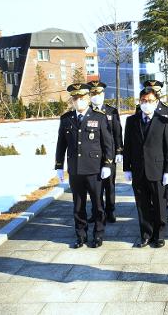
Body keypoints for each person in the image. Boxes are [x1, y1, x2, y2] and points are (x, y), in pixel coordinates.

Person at [55, 83, 114, 248]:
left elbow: (107, 144)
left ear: (87, 98)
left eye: (81, 98)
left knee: (98, 205)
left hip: (94, 169)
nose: (78, 101)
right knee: (78, 206)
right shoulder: (66, 119)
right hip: (75, 170)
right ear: (72, 100)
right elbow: (61, 144)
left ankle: (98, 234)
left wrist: (107, 165)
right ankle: (81, 235)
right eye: (75, 98)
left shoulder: (99, 117)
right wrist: (59, 166)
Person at [123, 87, 168, 248]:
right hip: (138, 169)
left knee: (160, 205)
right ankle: (146, 234)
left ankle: (159, 235)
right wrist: (127, 168)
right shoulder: (131, 121)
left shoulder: (163, 121)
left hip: (157, 170)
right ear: (140, 102)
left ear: (156, 102)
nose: (146, 104)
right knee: (142, 205)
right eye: (143, 101)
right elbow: (128, 146)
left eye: (150, 101)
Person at [87, 81, 123, 223]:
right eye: (94, 93)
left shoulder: (111, 111)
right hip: (92, 156)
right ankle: (96, 212)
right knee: (95, 186)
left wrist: (119, 151)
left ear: (103, 94)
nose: (96, 96)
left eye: (99, 93)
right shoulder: (87, 111)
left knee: (109, 185)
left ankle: (110, 211)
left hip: (109, 154)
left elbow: (117, 132)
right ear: (90, 95)